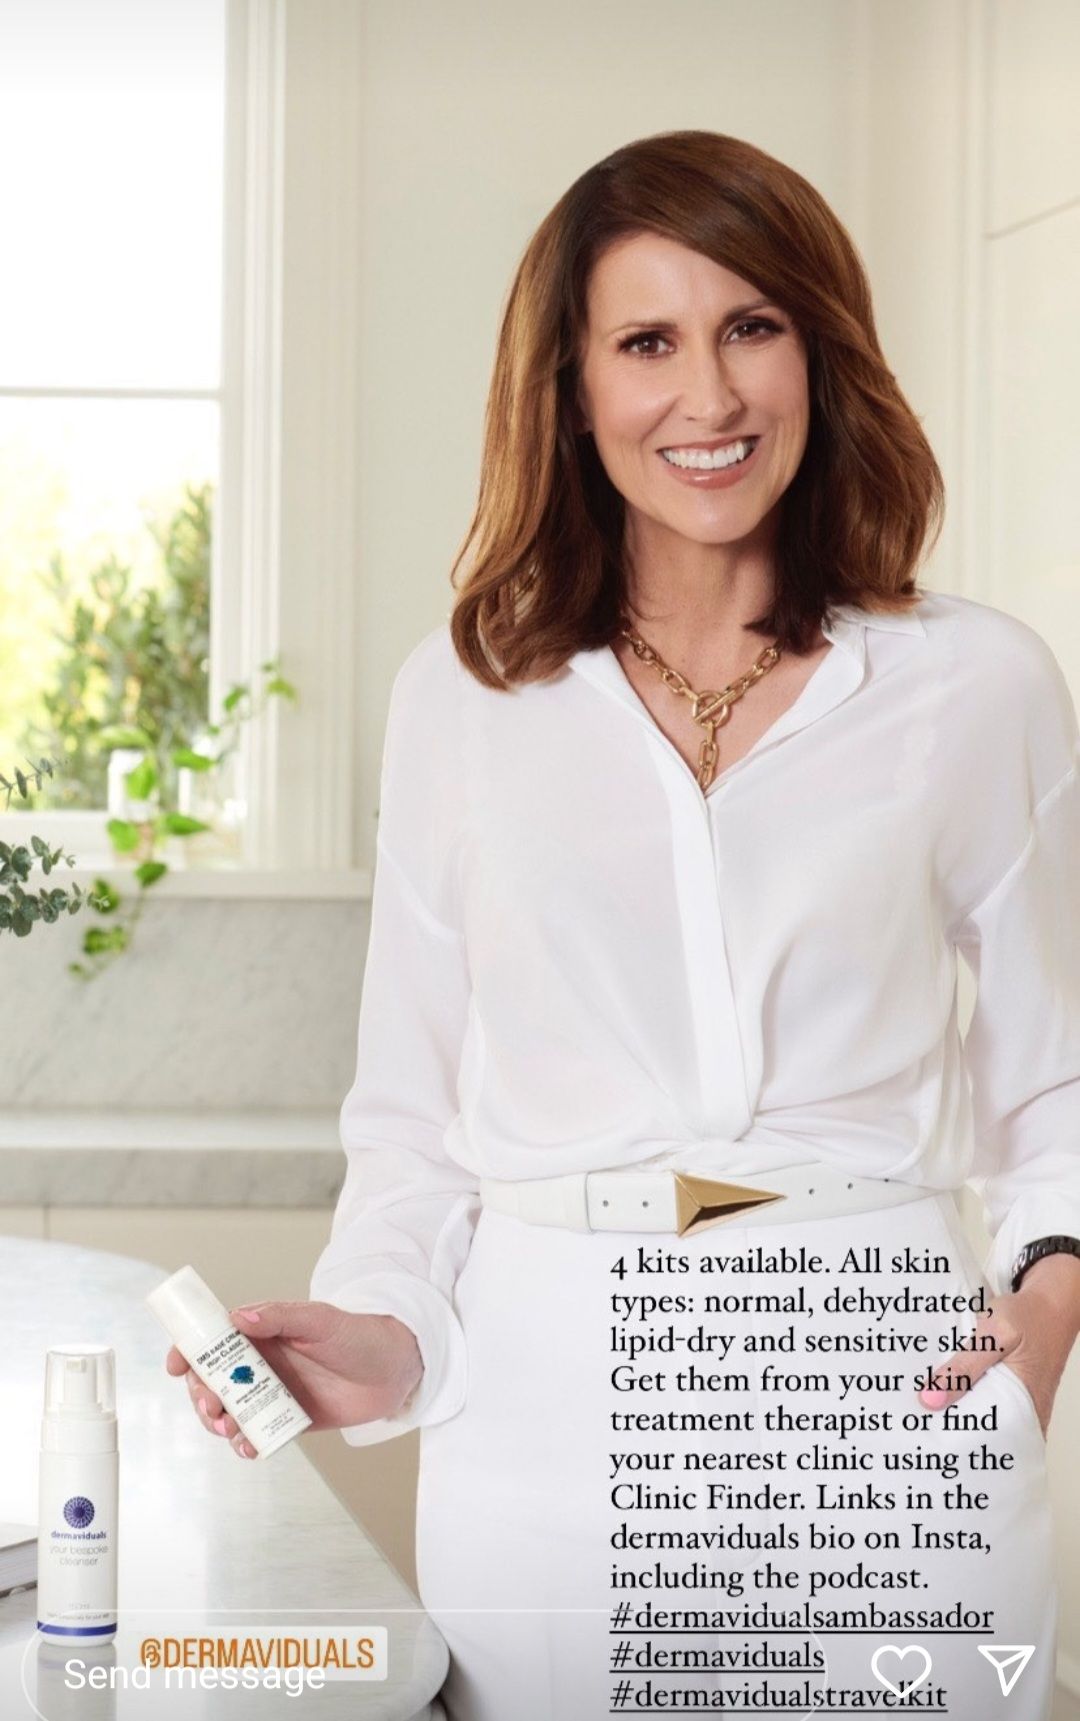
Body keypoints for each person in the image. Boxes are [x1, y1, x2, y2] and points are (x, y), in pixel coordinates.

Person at [164, 131, 1080, 1720]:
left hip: (886, 1397)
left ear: (822, 351)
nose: (708, 397)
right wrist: (392, 1331)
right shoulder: (465, 700)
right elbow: (410, 1124)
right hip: (544, 1423)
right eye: (647, 342)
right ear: (572, 392)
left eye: (752, 327)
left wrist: (1047, 1306)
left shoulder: (978, 686)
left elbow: (1058, 1079)